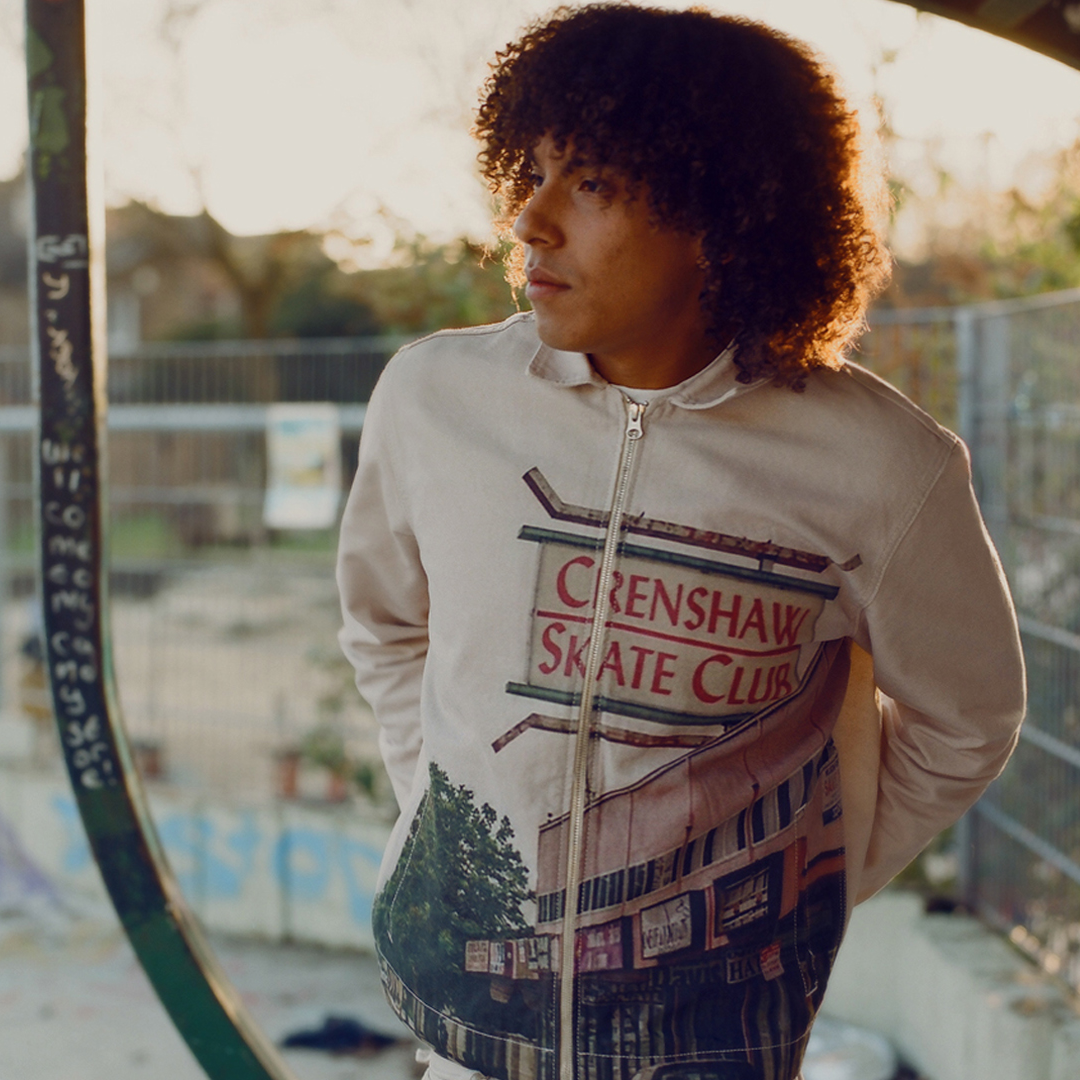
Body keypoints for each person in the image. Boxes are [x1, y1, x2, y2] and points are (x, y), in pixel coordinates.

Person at [337, 6, 1025, 1080]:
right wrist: (450, 817)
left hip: (714, 1050)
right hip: (466, 1037)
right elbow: (384, 624)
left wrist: (808, 891)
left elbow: (967, 718)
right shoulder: (433, 400)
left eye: (593, 183)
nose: (531, 220)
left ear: (725, 214)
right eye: (535, 170)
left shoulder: (883, 464)